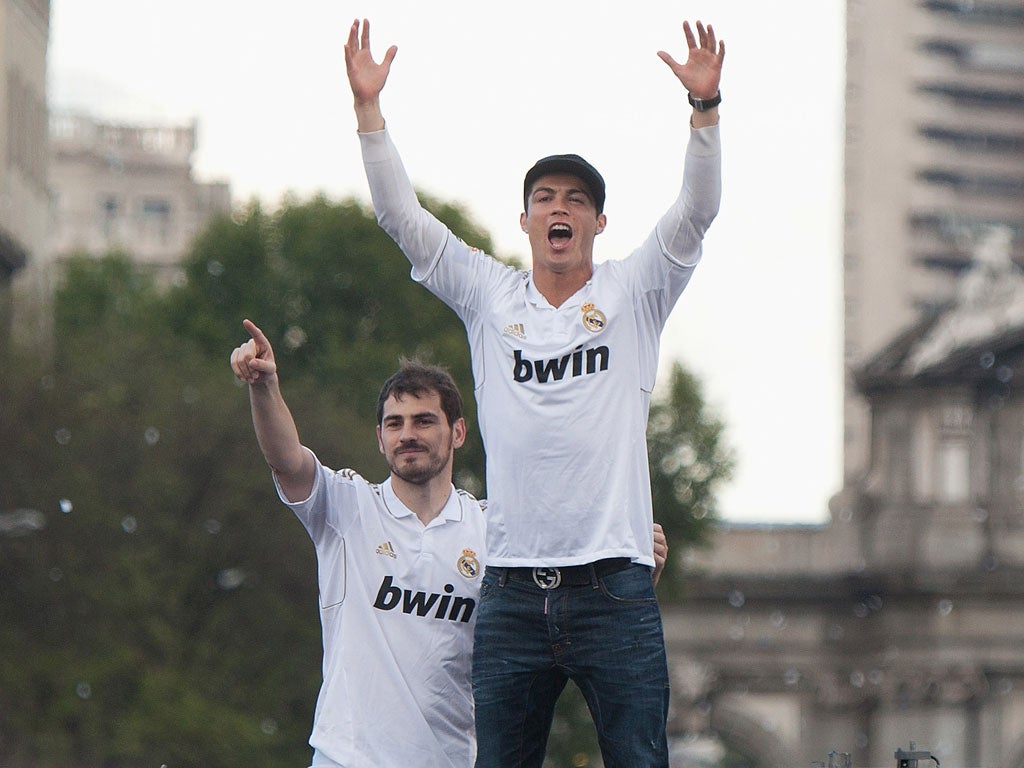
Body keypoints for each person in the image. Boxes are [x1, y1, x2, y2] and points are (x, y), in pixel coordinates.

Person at [345, 17, 722, 766]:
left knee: (642, 760)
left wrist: (705, 114)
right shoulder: (490, 296)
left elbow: (697, 214)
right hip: (513, 593)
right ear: (524, 220)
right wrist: (369, 115)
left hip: (616, 587)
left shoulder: (635, 292)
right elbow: (400, 219)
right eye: (545, 196)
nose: (560, 207)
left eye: (577, 199)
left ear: (598, 221)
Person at [230, 318, 486, 768]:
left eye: (424, 421)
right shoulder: (347, 507)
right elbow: (287, 461)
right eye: (395, 423)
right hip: (347, 759)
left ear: (458, 432)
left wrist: (637, 577)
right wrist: (264, 386)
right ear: (380, 439)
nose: (408, 434)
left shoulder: (492, 529)